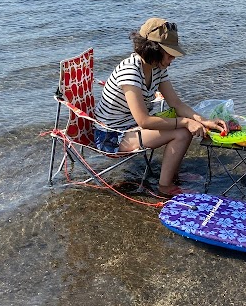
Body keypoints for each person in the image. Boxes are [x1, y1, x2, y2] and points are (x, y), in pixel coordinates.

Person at [93, 17, 227, 197]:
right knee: (182, 131)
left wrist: (205, 121)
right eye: (170, 54)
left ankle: (171, 175)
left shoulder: (157, 67)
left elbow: (176, 103)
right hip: (112, 135)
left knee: (182, 127)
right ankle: (165, 187)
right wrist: (185, 122)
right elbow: (144, 120)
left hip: (131, 126)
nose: (173, 59)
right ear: (154, 50)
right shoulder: (130, 72)